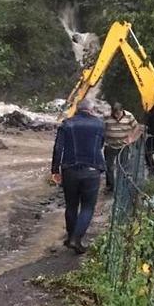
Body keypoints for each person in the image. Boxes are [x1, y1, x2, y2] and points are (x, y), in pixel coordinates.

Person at [50, 98, 105, 254]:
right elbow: (101, 144)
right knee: (87, 206)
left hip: (70, 170)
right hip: (92, 170)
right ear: (91, 109)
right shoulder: (100, 124)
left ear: (77, 109)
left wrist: (55, 170)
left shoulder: (67, 124)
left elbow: (58, 148)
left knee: (71, 205)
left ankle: (70, 238)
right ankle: (76, 239)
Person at [103, 102, 140, 192]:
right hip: (110, 146)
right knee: (109, 166)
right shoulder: (106, 116)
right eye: (114, 114)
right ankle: (110, 185)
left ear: (122, 111)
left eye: (118, 114)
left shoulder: (129, 116)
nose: (116, 116)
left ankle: (122, 184)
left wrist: (132, 138)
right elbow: (101, 128)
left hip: (124, 146)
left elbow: (136, 127)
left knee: (123, 166)